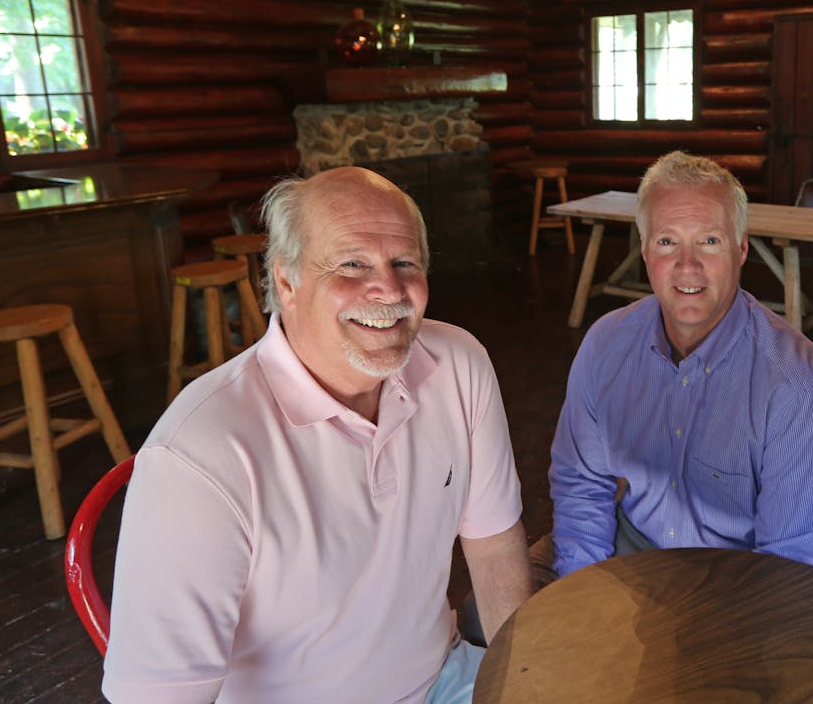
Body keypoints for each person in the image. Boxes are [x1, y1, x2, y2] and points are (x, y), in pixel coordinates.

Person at [102, 167, 531, 704]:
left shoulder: (459, 364)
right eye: (352, 264)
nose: (390, 289)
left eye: (405, 263)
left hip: (442, 679)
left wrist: (522, 681)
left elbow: (492, 547)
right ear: (286, 281)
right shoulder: (199, 455)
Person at [547, 150, 813, 578]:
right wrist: (580, 592)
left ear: (741, 249)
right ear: (645, 250)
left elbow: (793, 569)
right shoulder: (604, 345)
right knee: (496, 622)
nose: (687, 266)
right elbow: (582, 485)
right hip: (627, 550)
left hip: (740, 583)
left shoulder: (798, 384)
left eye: (709, 241)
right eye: (667, 241)